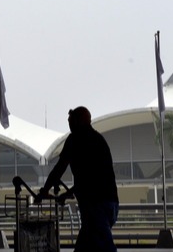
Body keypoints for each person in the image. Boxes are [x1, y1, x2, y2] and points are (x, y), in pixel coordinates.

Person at [36, 106, 119, 252]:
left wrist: (45, 190)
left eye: (71, 121)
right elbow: (92, 179)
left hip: (95, 205)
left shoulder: (75, 139)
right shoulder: (98, 140)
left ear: (78, 121)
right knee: (86, 245)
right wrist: (66, 194)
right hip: (110, 202)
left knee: (105, 246)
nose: (69, 124)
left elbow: (59, 169)